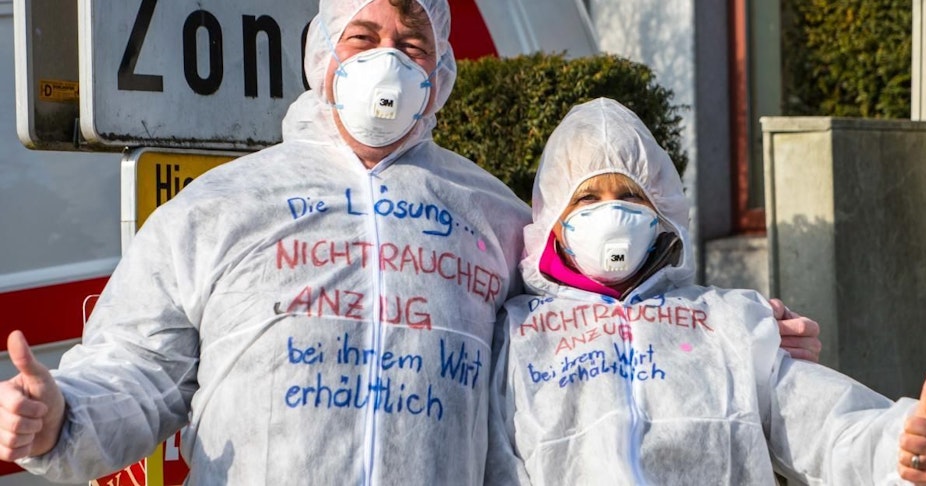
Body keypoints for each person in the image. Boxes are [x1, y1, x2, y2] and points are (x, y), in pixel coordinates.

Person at [0, 1, 820, 483]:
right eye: (366, 38)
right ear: (323, 55)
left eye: (414, 43)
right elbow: (138, 372)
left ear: (441, 74)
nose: (390, 60)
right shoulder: (218, 209)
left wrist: (741, 337)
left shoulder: (494, 217)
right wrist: (60, 417)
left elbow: (612, 320)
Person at [485, 98, 926, 485]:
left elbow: (818, 419)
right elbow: (497, 464)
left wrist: (894, 446)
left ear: (661, 211)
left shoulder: (724, 321)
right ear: (555, 220)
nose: (612, 213)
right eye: (588, 197)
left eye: (631, 195)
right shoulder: (521, 333)